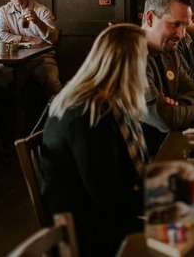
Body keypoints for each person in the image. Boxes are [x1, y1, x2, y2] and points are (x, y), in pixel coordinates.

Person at [41, 24, 149, 257]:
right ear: (131, 67)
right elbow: (107, 195)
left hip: (100, 214)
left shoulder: (107, 101)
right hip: (85, 229)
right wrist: (162, 201)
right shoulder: (90, 114)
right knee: (192, 225)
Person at [141, 0, 194, 155]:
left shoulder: (169, 51)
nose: (180, 34)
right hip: (144, 158)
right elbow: (165, 119)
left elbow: (193, 90)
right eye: (175, 24)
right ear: (150, 18)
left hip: (167, 143)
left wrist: (174, 106)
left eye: (184, 25)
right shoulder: (133, 56)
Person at [0, 0, 61, 97]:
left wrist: (38, 22)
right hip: (12, 62)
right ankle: (8, 114)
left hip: (41, 60)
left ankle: (59, 114)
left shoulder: (41, 10)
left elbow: (54, 38)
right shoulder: (3, 11)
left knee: (52, 82)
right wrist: (28, 39)